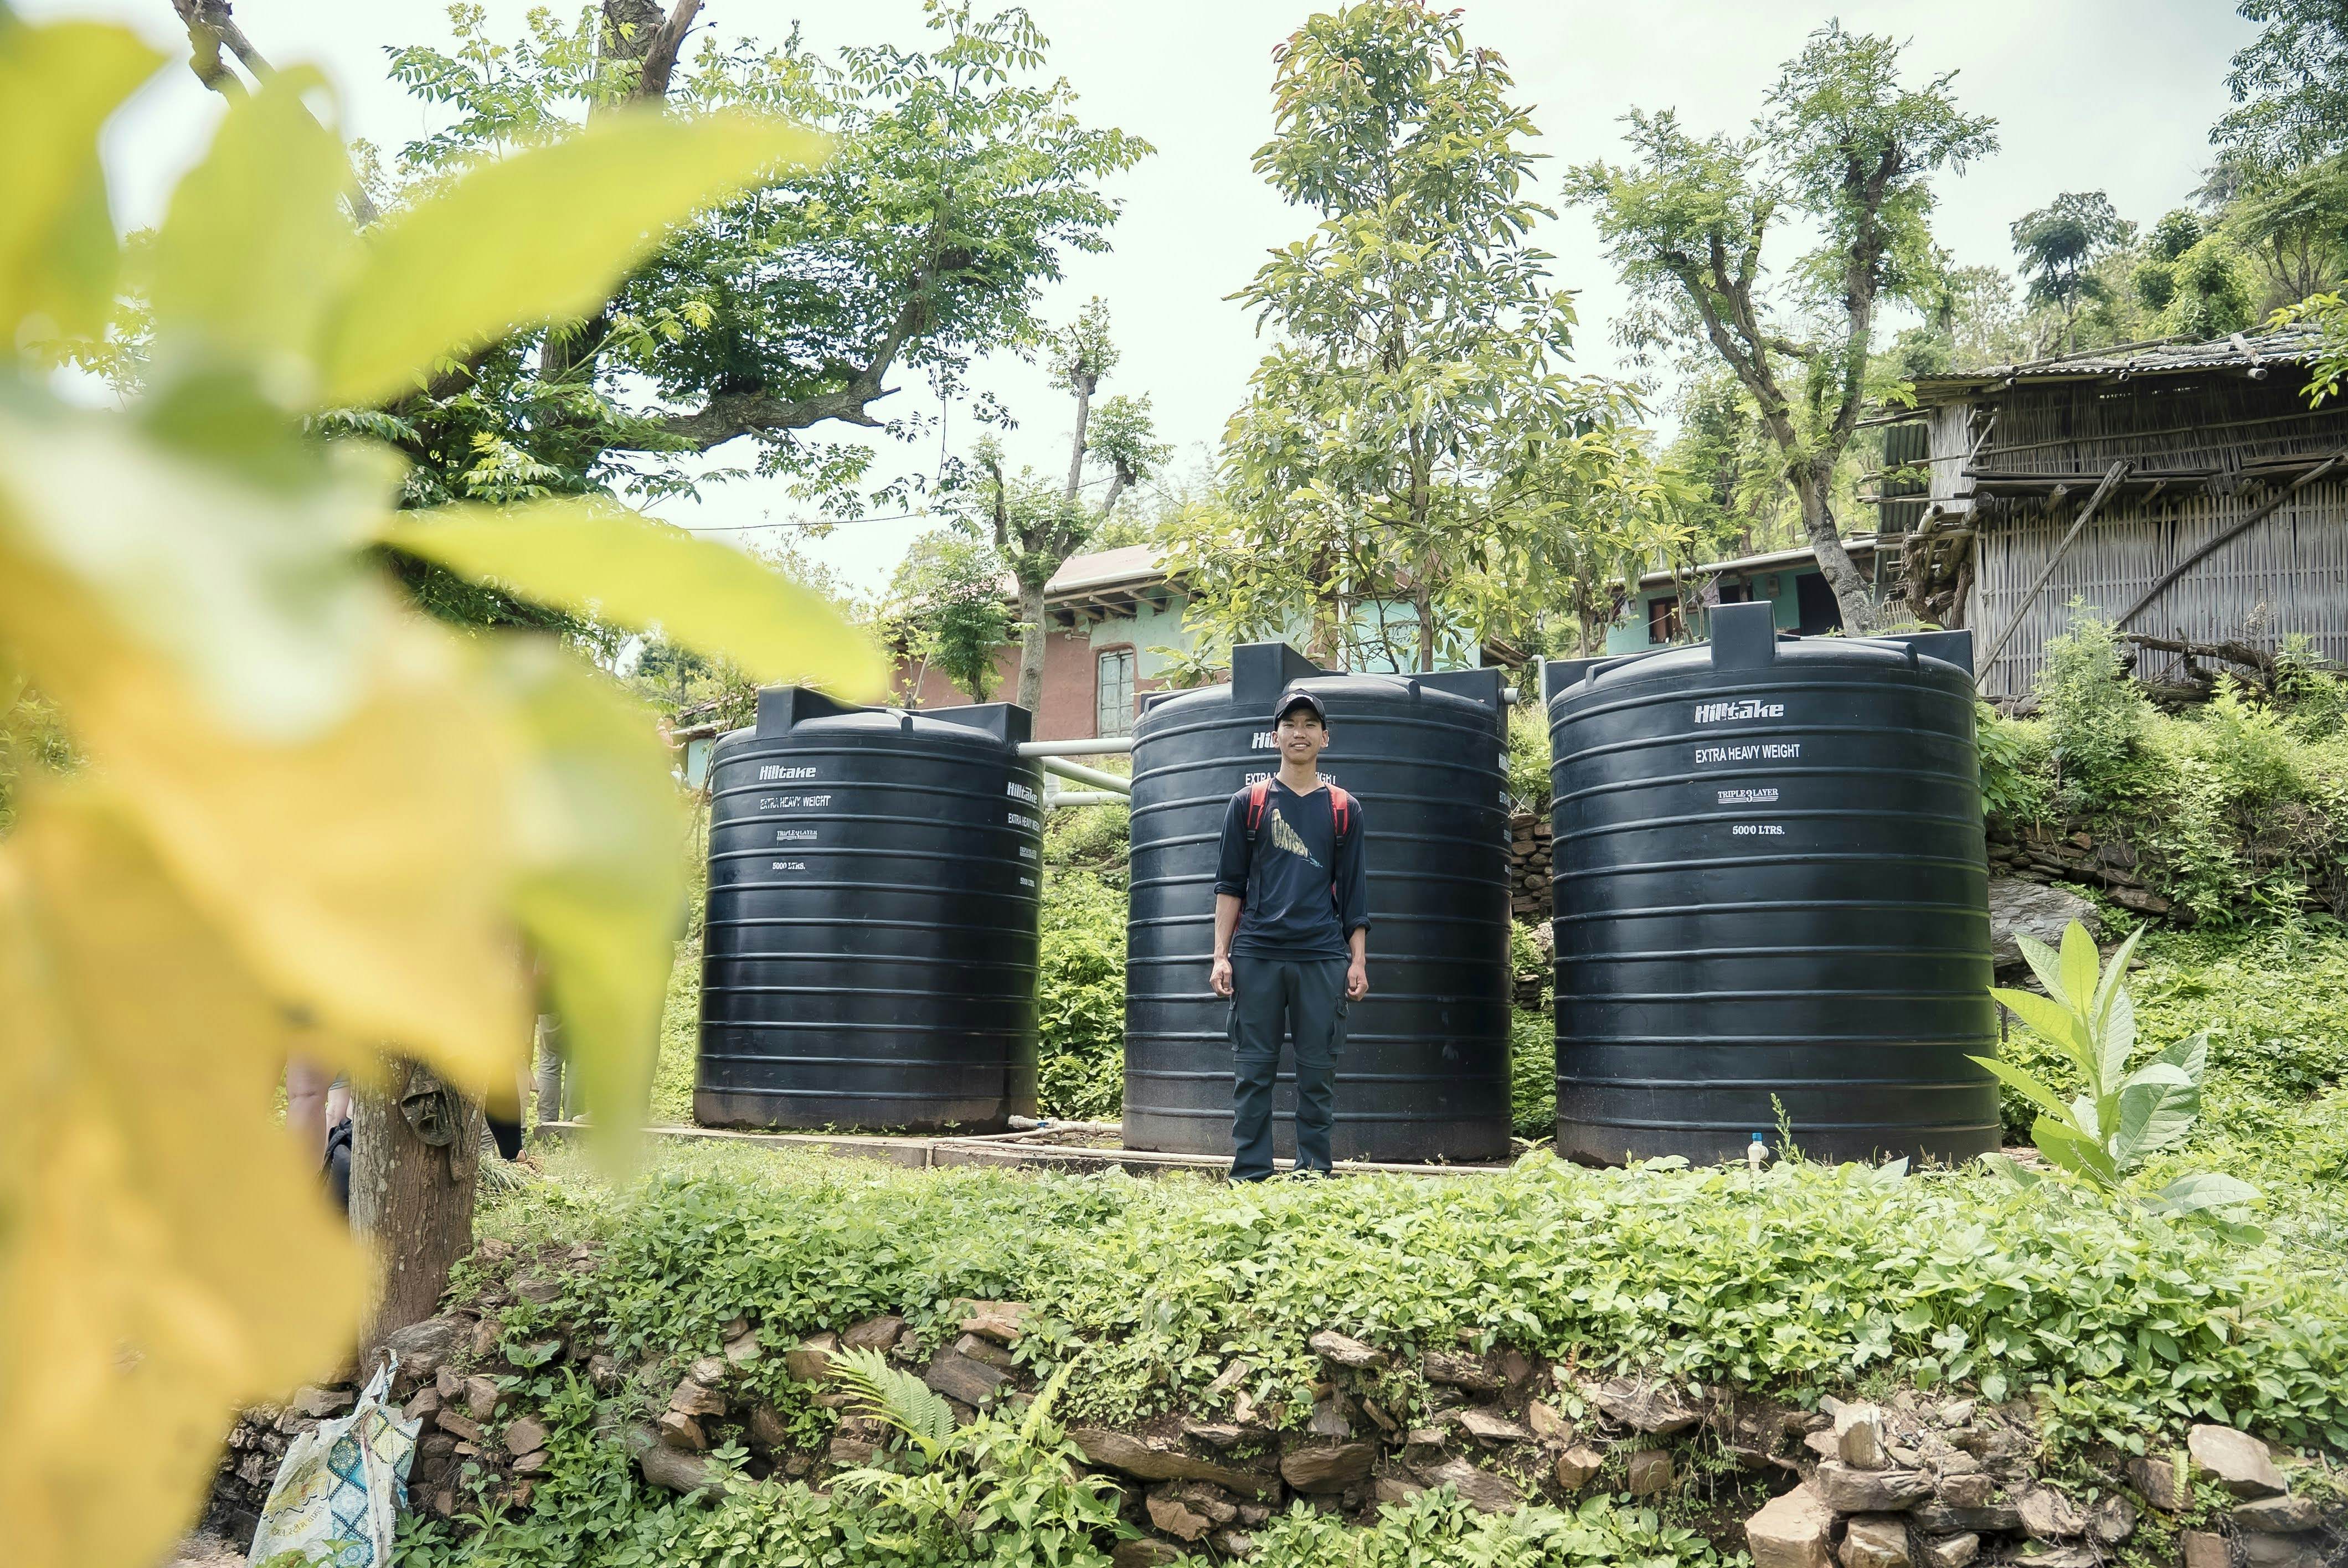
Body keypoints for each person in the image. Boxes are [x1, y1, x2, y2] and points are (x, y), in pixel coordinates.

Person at [1209, 685, 1370, 1181]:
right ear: (1274, 735)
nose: (1298, 734)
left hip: (1322, 957)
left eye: (1308, 726)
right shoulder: (1249, 803)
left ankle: (1313, 1173)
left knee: (1318, 1073)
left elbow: (1355, 892)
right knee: (1252, 1072)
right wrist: (1221, 955)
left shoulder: (1345, 808)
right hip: (1257, 955)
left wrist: (1358, 960)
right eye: (1289, 725)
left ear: (1325, 737)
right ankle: (1250, 1174)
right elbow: (1229, 886)